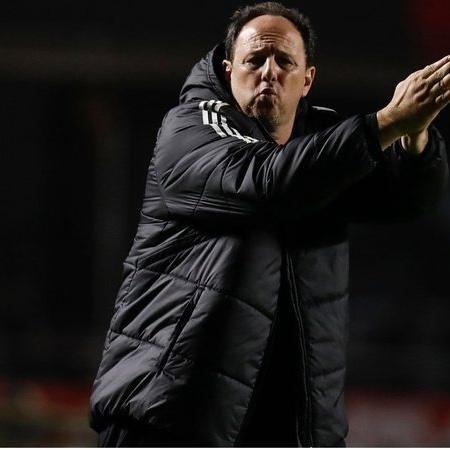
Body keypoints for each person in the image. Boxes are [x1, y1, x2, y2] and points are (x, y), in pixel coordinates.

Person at [89, 2, 449, 447]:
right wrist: (387, 122)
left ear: (308, 79)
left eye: (284, 61)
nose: (269, 72)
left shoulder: (324, 150)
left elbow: (408, 204)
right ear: (228, 69)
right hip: (170, 419)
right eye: (255, 59)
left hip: (287, 428)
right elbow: (268, 182)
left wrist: (414, 137)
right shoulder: (190, 129)